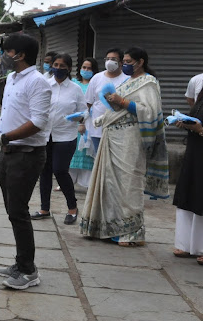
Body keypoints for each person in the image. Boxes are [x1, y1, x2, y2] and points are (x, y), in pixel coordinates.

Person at [0, 32, 51, 290]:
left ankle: (28, 270)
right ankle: (20, 262)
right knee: (12, 211)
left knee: (19, 212)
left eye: (6, 51)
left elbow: (37, 123)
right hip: (8, 152)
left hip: (26, 155)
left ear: (19, 55)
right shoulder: (11, 79)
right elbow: (8, 113)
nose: (3, 56)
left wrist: (3, 138)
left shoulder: (38, 83)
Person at [80, 47, 169, 247]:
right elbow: (117, 110)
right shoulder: (127, 82)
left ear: (141, 62)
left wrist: (122, 101)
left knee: (129, 184)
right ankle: (107, 227)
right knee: (110, 184)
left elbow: (150, 112)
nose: (125, 64)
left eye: (128, 61)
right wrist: (105, 115)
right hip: (112, 138)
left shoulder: (149, 82)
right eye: (124, 61)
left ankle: (131, 232)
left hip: (131, 141)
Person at [31, 54, 86, 225]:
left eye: (63, 65)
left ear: (69, 68)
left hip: (66, 136)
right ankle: (44, 208)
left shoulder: (75, 89)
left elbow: (84, 112)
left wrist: (77, 117)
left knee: (60, 170)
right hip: (45, 135)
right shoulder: (45, 85)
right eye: (55, 64)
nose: (58, 68)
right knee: (44, 171)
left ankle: (72, 207)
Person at [172, 89, 203, 265]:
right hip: (195, 152)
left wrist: (200, 129)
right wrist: (185, 122)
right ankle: (187, 244)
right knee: (190, 193)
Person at [84, 48, 129, 151]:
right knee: (99, 161)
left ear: (121, 62)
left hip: (119, 129)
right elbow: (88, 103)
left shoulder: (127, 79)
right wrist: (83, 123)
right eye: (107, 59)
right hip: (98, 130)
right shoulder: (97, 78)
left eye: (113, 59)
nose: (109, 62)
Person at [68, 57, 99, 189]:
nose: (86, 70)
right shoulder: (74, 84)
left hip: (90, 123)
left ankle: (87, 183)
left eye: (89, 68)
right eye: (84, 67)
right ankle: (68, 181)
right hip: (74, 123)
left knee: (87, 151)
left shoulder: (95, 85)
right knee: (72, 151)